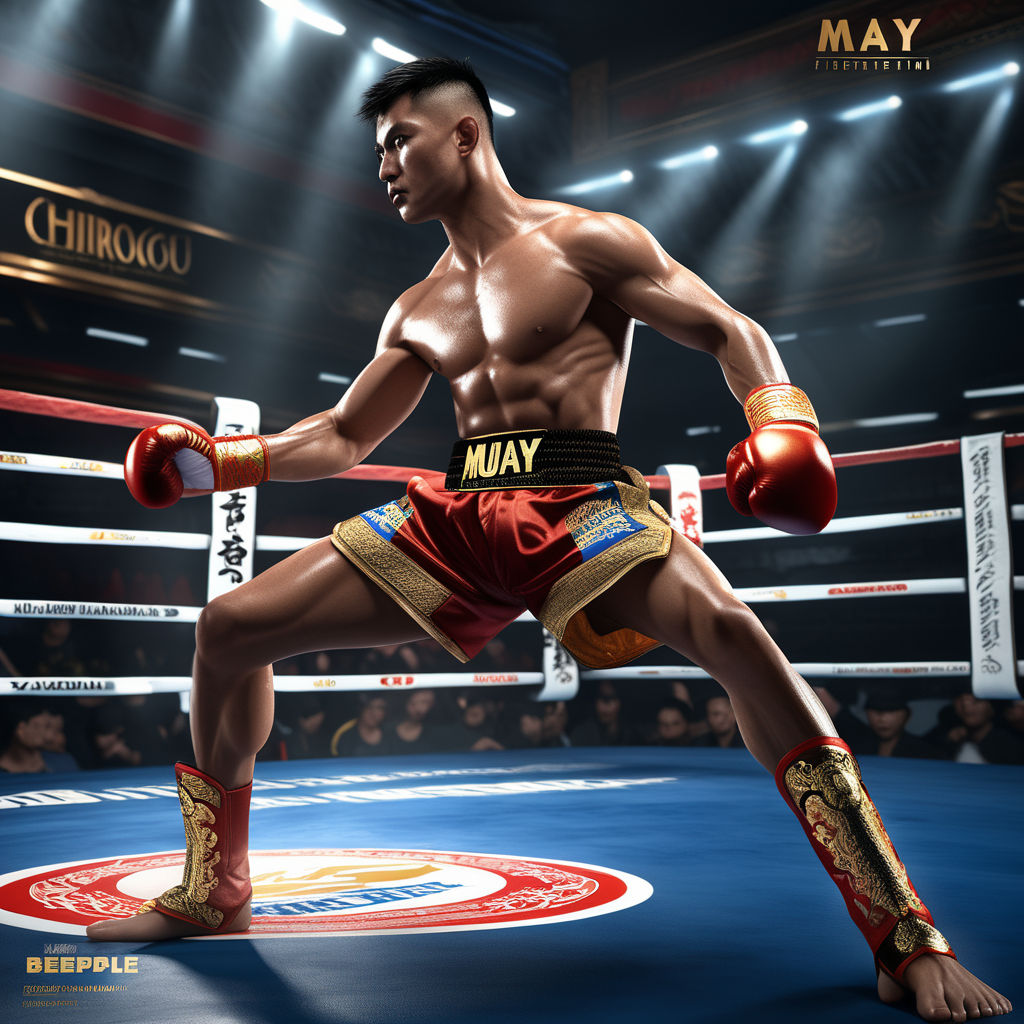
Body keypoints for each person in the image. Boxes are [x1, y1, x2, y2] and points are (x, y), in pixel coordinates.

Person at [84, 56, 1010, 1021]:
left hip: (582, 497)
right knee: (229, 626)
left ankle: (904, 938)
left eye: (399, 141)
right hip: (459, 509)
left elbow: (730, 329)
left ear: (465, 135)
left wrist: (785, 429)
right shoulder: (416, 305)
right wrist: (221, 463)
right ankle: (213, 892)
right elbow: (347, 436)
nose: (385, 165)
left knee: (737, 639)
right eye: (378, 149)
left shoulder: (588, 241)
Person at [851, 690, 943, 760]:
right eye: (876, 711)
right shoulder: (853, 751)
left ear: (907, 714)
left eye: (891, 711)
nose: (882, 719)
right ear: (867, 713)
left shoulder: (924, 754)